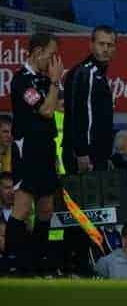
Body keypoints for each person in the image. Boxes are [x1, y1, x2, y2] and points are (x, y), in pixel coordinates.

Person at [6, 32, 63, 275]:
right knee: (22, 208)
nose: (53, 62)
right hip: (27, 148)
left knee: (46, 208)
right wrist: (55, 82)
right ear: (37, 52)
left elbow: (53, 108)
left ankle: (40, 264)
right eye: (51, 55)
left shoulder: (42, 78)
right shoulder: (21, 80)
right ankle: (12, 263)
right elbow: (48, 110)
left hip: (46, 148)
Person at [63, 25, 117, 174]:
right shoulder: (87, 72)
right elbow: (81, 113)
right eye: (101, 44)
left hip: (96, 154)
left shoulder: (98, 73)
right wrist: (82, 152)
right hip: (85, 155)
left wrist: (105, 156)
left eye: (110, 45)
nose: (105, 49)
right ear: (91, 45)